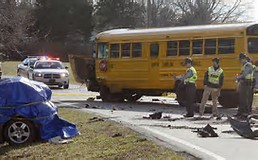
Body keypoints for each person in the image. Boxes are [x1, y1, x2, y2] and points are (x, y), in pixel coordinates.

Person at [235, 53, 254, 119]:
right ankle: (240, 112)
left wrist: (238, 77)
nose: (240, 61)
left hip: (247, 83)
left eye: (241, 59)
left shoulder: (248, 65)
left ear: (244, 59)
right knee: (241, 98)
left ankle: (246, 113)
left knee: (245, 99)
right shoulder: (244, 65)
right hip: (243, 83)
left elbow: (245, 74)